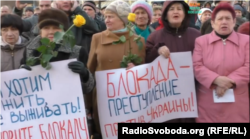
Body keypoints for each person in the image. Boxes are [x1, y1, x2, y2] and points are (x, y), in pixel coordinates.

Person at [86, 1, 146, 138]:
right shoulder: (97, 38)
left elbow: (144, 72)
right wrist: (88, 106)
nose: (106, 20)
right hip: (103, 100)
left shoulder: (138, 41)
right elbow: (90, 71)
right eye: (106, 16)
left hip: (129, 103)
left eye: (111, 16)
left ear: (123, 19)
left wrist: (136, 69)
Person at [21, 8, 95, 100]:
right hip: (40, 107)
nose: (51, 31)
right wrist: (22, 74)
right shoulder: (29, 50)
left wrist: (85, 74)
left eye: (56, 28)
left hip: (69, 107)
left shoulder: (77, 51)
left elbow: (88, 89)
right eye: (46, 28)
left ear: (65, 30)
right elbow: (24, 90)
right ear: (40, 30)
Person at [193, 3, 249, 123]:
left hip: (237, 105)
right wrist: (216, 79)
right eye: (220, 19)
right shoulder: (201, 42)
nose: (224, 22)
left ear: (234, 22)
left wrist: (229, 81)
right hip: (207, 104)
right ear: (212, 23)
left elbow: (248, 66)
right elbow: (197, 66)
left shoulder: (246, 41)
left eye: (228, 18)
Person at [146, 0, 201, 122]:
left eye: (179, 9)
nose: (175, 11)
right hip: (164, 100)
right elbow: (146, 63)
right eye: (171, 9)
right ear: (165, 15)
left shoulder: (197, 35)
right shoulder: (155, 37)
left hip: (191, 97)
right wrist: (157, 50)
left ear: (185, 14)